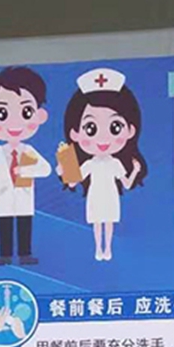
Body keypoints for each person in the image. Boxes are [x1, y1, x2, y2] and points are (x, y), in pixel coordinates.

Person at [56, 68, 147, 261]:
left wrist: (135, 170)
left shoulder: (115, 162)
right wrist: (64, 169)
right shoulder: (90, 163)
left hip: (111, 196)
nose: (103, 137)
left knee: (109, 222)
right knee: (98, 223)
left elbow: (127, 184)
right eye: (91, 128)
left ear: (130, 130)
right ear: (75, 133)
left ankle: (108, 249)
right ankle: (99, 248)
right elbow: (73, 181)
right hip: (95, 196)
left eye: (115, 127)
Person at [0, 66, 51, 266]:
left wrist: (25, 170)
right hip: (3, 198)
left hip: (24, 197)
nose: (14, 123)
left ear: (40, 116)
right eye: (2, 113)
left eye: (26, 112)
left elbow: (45, 169)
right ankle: (5, 255)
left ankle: (25, 254)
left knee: (24, 225)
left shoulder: (28, 151)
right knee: (5, 226)